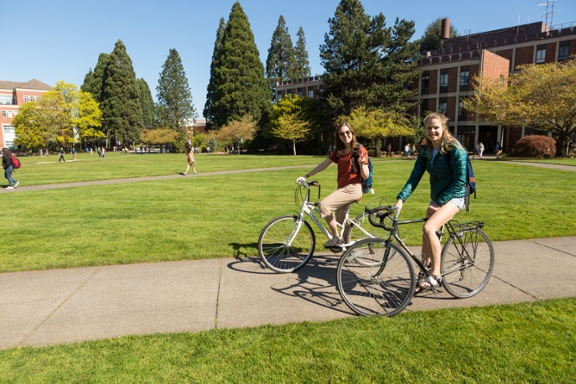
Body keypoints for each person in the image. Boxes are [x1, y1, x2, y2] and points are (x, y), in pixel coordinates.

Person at [394, 113, 468, 292]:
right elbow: (414, 178)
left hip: (456, 196)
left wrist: (439, 202)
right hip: (439, 197)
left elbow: (460, 180)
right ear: (425, 130)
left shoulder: (455, 149)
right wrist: (400, 199)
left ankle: (435, 274)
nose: (432, 131)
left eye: (436, 127)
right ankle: (425, 268)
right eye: (429, 128)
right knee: (426, 228)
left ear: (443, 128)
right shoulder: (426, 151)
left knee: (429, 228)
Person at [296, 122, 369, 248]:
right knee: (340, 223)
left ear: (352, 133)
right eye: (342, 133)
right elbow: (323, 164)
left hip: (353, 189)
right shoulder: (339, 151)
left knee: (324, 205)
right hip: (342, 189)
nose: (345, 135)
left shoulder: (359, 150)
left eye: (347, 132)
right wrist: (306, 176)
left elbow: (365, 175)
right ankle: (347, 250)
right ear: (339, 136)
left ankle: (335, 238)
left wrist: (362, 165)